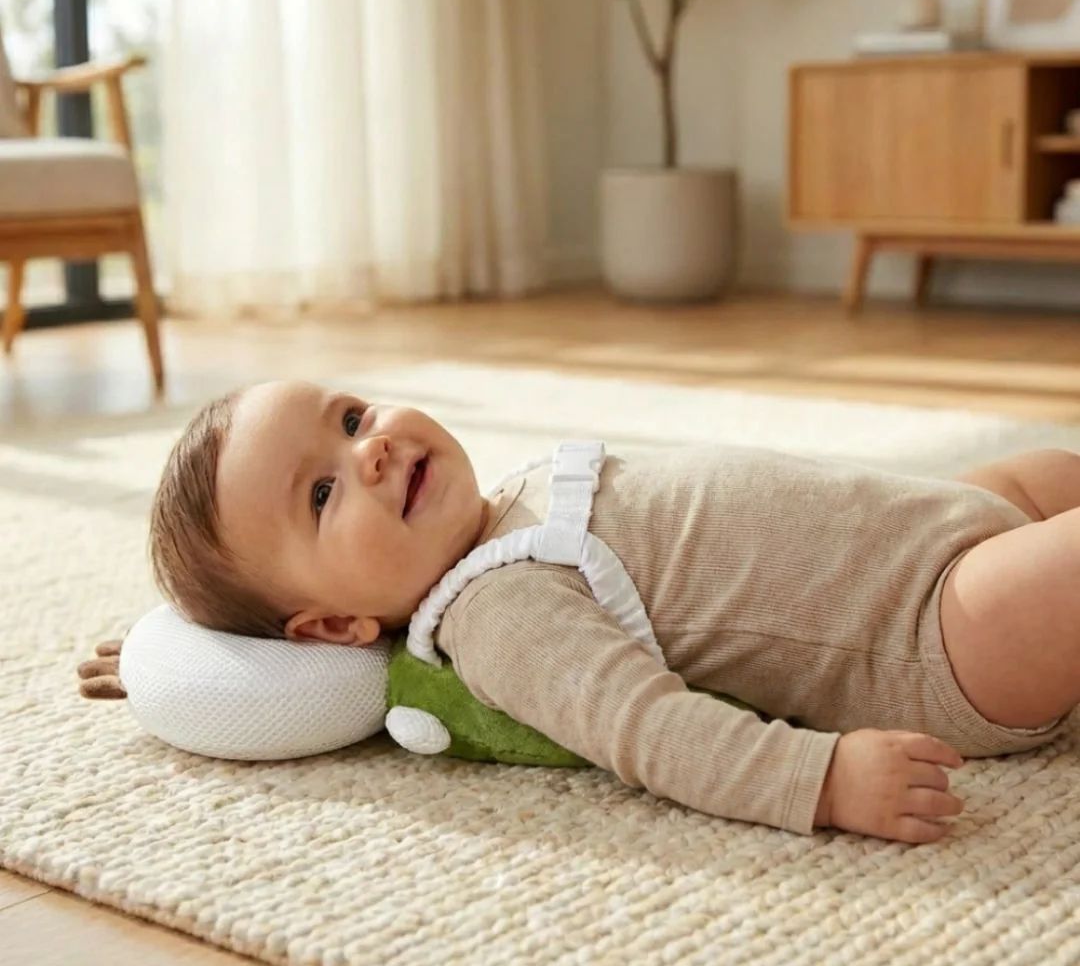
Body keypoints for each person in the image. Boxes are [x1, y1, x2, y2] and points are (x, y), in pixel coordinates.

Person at [81, 380, 1080, 844]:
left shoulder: (501, 507)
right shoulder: (495, 612)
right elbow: (645, 730)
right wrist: (816, 782)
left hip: (926, 524)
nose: (369, 448)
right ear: (335, 629)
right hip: (931, 634)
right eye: (321, 492)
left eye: (349, 418)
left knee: (1054, 471)